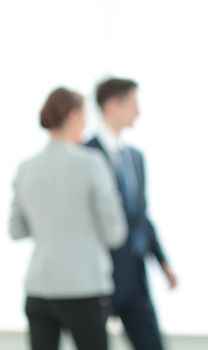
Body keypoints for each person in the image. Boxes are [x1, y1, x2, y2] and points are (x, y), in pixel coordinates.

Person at [9, 87, 127, 350]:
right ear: (74, 116)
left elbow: (16, 230)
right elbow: (114, 234)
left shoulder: (25, 168)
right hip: (84, 288)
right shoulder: (92, 163)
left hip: (39, 287)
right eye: (84, 115)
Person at [86, 78, 177, 350]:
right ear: (113, 105)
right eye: (133, 105)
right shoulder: (85, 154)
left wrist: (163, 262)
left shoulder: (134, 157)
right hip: (100, 272)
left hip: (135, 272)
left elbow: (141, 215)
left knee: (151, 344)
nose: (138, 113)